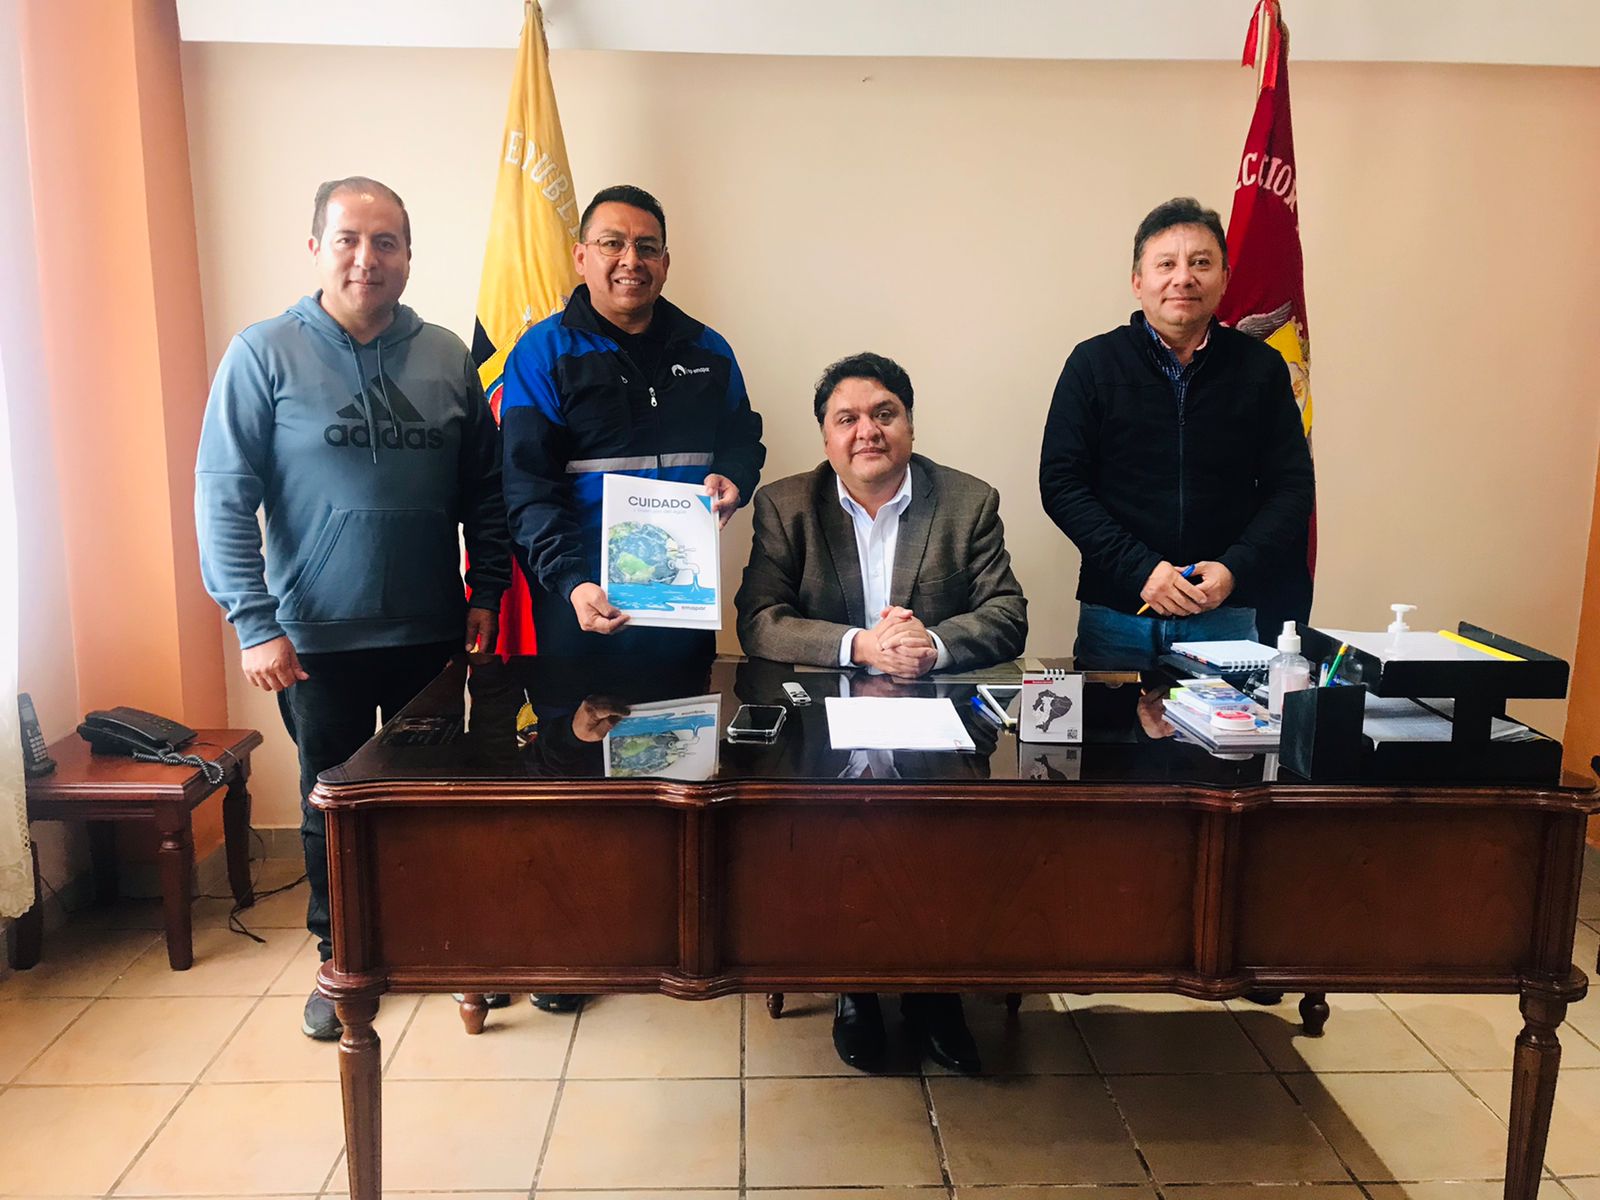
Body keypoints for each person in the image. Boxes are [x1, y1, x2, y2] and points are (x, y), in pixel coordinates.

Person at [195, 176, 510, 1040]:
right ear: (316, 249)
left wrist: (486, 591)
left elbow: (485, 492)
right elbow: (223, 497)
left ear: (408, 256)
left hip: (431, 635)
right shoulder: (262, 354)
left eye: (386, 242)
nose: (367, 258)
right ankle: (343, 960)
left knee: (433, 801)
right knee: (330, 805)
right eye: (349, 239)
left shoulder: (446, 356)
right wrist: (254, 622)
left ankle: (439, 944)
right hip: (313, 642)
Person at [735, 351, 1028, 1074]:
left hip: (937, 719)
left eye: (884, 414)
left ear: (910, 425)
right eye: (848, 418)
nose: (867, 431)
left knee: (944, 837)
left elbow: (1006, 613)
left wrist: (931, 645)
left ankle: (936, 993)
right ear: (826, 436)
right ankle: (855, 988)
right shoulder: (786, 505)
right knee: (837, 834)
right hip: (824, 725)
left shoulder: (967, 501)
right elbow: (760, 621)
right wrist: (861, 645)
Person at [1039, 196, 1315, 671]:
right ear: (1137, 281)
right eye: (1166, 264)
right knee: (1111, 723)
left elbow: (1291, 487)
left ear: (1224, 278)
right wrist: (1141, 570)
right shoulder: (1093, 364)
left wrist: (1234, 569)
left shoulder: (1261, 369)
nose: (1183, 278)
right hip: (1118, 615)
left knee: (1227, 723)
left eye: (1201, 263)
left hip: (1225, 613)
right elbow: (1061, 484)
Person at [499, 184, 765, 661]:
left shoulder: (710, 350)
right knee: (575, 712)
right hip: (580, 604)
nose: (631, 260)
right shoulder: (542, 354)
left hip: (682, 605)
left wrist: (735, 476)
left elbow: (742, 436)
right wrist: (572, 580)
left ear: (665, 262)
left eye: (647, 247)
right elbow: (528, 487)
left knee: (690, 709)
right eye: (612, 243)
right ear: (581, 257)